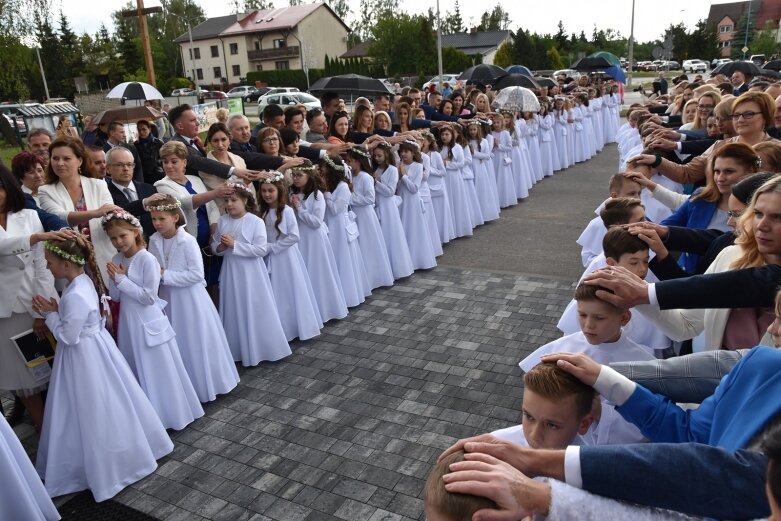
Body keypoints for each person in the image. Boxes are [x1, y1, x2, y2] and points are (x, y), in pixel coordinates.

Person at [32, 234, 174, 502]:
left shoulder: (74, 293)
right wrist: (58, 308)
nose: (48, 267)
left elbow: (68, 337)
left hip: (82, 356)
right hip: (97, 348)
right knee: (110, 400)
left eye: (50, 262)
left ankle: (106, 468)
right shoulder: (83, 281)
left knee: (91, 406)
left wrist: (51, 315)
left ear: (65, 265)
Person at [103, 210, 203, 430]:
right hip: (129, 324)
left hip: (148, 321)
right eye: (113, 238)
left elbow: (149, 297)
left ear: (136, 232)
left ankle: (171, 414)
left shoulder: (147, 259)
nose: (118, 242)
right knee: (137, 365)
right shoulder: (116, 259)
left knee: (158, 368)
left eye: (122, 236)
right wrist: (114, 281)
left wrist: (121, 279)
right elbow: (117, 297)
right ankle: (150, 418)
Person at [146, 195, 239, 403]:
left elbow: (197, 275)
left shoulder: (187, 241)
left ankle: (208, 384)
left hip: (190, 300)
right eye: (153, 219)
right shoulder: (153, 241)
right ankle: (186, 388)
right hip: (168, 298)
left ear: (175, 218)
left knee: (196, 340)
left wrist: (164, 275)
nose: (157, 223)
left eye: (161, 218)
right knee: (178, 341)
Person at [0, 165, 60, 433]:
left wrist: (42, 311)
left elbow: (42, 265)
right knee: (22, 374)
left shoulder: (28, 215)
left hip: (39, 302)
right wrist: (32, 238)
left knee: (56, 365)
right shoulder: (31, 230)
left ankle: (65, 417)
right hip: (6, 310)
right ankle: (42, 425)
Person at [212, 182, 291, 366]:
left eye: (234, 200)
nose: (229, 204)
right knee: (234, 306)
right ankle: (238, 349)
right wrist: (221, 247)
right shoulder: (223, 221)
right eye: (226, 200)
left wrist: (235, 245)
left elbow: (260, 250)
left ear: (245, 200)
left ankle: (262, 347)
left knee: (253, 305)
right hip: (231, 271)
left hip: (251, 273)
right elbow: (216, 248)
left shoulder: (255, 221)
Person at [559, 227, 671, 355]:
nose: (642, 269)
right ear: (611, 263)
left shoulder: (649, 291)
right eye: (634, 263)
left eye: (646, 261)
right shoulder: (596, 294)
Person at [38, 137, 121, 283]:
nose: (60, 163)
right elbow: (59, 216)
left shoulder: (98, 185)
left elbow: (109, 216)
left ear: (80, 161)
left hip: (103, 257)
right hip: (69, 263)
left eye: (66, 158)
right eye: (55, 158)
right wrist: (94, 213)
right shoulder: (45, 190)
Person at [521, 282, 655, 371]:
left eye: (599, 318)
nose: (588, 325)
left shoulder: (643, 363)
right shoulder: (562, 349)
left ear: (624, 318)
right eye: (583, 315)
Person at [154, 140, 231, 289]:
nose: (169, 166)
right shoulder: (161, 184)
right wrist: (214, 193)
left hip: (209, 241)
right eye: (165, 162)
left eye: (174, 161)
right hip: (189, 242)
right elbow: (183, 202)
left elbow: (212, 207)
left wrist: (213, 232)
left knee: (216, 283)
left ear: (184, 162)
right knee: (197, 284)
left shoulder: (195, 179)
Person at [258, 176, 323, 341]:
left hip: (286, 256)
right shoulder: (262, 211)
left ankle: (296, 326)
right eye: (264, 191)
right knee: (276, 291)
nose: (267, 194)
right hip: (269, 256)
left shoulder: (286, 211)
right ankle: (281, 328)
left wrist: (273, 247)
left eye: (271, 190)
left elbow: (294, 236)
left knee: (290, 289)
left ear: (279, 191)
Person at [288, 160, 348, 323]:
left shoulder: (317, 195)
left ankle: (325, 310)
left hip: (314, 240)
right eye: (294, 175)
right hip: (300, 238)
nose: (296, 179)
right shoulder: (292, 194)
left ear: (310, 176)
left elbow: (316, 222)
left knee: (318, 272)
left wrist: (299, 208)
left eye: (300, 175)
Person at [491, 362, 596, 449]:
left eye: (552, 425)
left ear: (584, 424)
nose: (534, 436)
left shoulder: (595, 472)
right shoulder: (493, 446)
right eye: (529, 417)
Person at [168, 104, 273, 179]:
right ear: (180, 126)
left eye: (196, 119)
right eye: (192, 120)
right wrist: (234, 171)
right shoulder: (176, 146)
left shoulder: (193, 141)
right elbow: (200, 162)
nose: (198, 123)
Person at [322, 154, 372, 306]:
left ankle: (349, 295)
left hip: (340, 228)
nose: (321, 170)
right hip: (331, 225)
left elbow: (336, 209)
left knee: (343, 258)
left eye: (323, 167)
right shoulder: (331, 185)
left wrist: (326, 193)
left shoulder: (343, 187)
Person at [345, 147, 394, 290]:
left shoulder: (366, 177)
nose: (348, 164)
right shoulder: (351, 176)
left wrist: (351, 198)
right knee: (361, 245)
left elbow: (370, 198)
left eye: (350, 161)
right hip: (355, 215)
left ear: (358, 162)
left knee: (369, 244)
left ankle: (375, 277)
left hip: (365, 215)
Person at [371, 142, 414, 280]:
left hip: (388, 207)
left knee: (391, 235)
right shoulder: (376, 170)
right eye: (375, 155)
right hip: (378, 205)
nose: (377, 158)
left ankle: (398, 268)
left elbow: (390, 191)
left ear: (386, 155)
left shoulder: (393, 170)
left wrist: (376, 183)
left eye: (379, 155)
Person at [397, 139, 437, 270]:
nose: (403, 154)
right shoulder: (399, 164)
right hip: (402, 200)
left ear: (413, 153)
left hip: (412, 202)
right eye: (401, 151)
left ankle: (417, 260)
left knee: (413, 227)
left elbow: (414, 188)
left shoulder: (418, 166)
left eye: (406, 151)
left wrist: (403, 175)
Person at [105, 147, 161, 239]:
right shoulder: (106, 193)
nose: (126, 169)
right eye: (119, 165)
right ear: (108, 168)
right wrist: (144, 203)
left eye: (129, 164)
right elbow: (118, 214)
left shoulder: (149, 189)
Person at [422, 132, 456, 244]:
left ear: (429, 142)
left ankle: (442, 237)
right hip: (425, 188)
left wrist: (429, 169)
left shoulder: (435, 154)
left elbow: (443, 171)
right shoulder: (418, 155)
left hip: (436, 187)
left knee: (439, 213)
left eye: (424, 141)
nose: (422, 143)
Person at [133, 119, 164, 184]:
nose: (141, 132)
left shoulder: (158, 143)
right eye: (139, 130)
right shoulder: (135, 145)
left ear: (149, 129)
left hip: (158, 175)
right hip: (143, 177)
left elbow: (164, 158)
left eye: (144, 129)